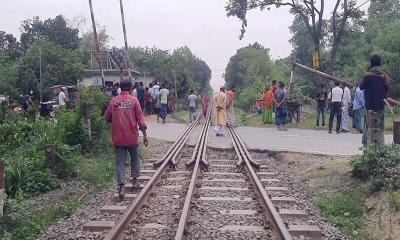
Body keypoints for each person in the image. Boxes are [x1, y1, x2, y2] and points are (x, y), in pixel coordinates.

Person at [104, 80, 148, 199]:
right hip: (132, 137)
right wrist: (145, 135)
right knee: (135, 159)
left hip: (118, 138)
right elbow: (140, 120)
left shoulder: (114, 101)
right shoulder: (134, 101)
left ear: (120, 88)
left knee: (120, 163)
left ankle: (122, 188)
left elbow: (107, 117)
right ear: (130, 88)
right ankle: (134, 181)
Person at [360, 55, 389, 146]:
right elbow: (386, 90)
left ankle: (367, 145)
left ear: (371, 63)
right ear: (380, 64)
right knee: (380, 126)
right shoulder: (384, 76)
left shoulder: (367, 75)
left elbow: (361, 87)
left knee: (368, 125)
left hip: (369, 106)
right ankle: (380, 146)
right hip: (380, 105)